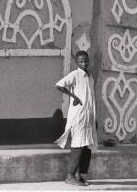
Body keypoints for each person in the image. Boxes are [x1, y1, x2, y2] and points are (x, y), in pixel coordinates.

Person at [55, 50, 98, 186]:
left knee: (86, 146)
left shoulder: (90, 77)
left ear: (88, 61)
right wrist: (74, 97)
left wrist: (94, 118)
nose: (84, 63)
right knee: (78, 145)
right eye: (81, 61)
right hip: (78, 116)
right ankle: (70, 175)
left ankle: (80, 175)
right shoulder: (75, 75)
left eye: (86, 61)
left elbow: (91, 99)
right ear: (77, 62)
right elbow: (59, 85)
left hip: (89, 117)